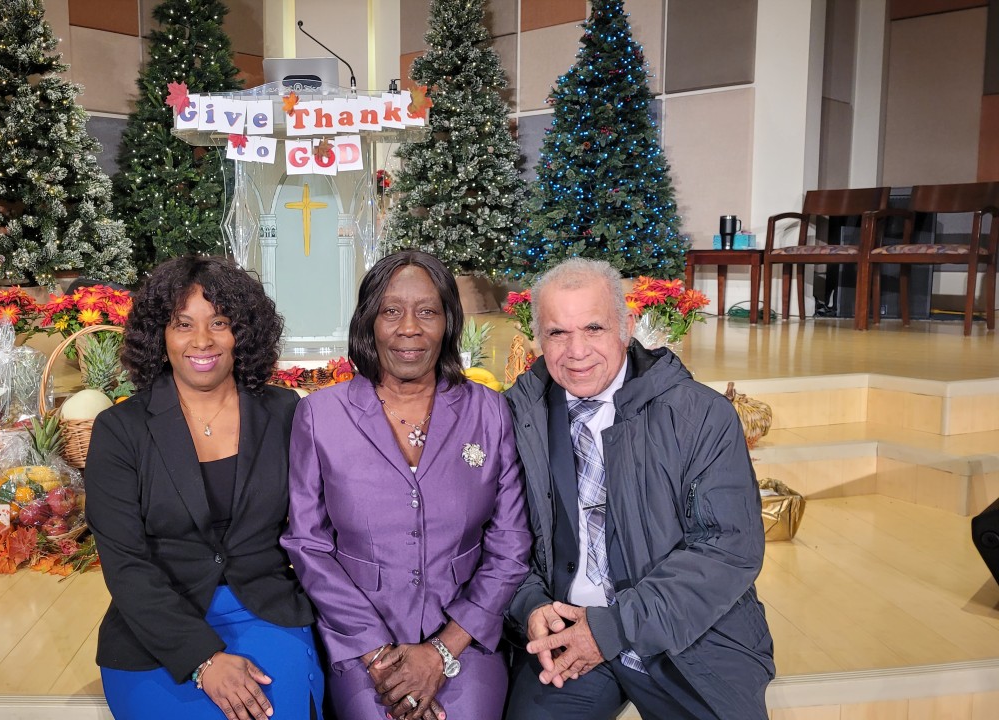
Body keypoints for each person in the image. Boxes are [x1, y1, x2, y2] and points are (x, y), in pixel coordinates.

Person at [503, 258, 774, 720]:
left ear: (626, 326)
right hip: (566, 630)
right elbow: (498, 539)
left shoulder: (700, 415)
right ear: (537, 339)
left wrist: (612, 629)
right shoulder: (514, 417)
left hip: (686, 634)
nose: (577, 351)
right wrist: (530, 604)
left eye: (593, 327)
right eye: (557, 333)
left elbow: (728, 549)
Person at [281, 250, 531, 720]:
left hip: (464, 636)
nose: (409, 328)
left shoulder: (488, 411)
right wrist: (379, 656)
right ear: (369, 322)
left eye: (428, 311)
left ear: (448, 322)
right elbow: (308, 545)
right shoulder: (320, 415)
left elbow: (511, 543)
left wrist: (443, 650)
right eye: (391, 311)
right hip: (362, 641)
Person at [85, 255, 323, 720]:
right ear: (159, 335)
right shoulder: (120, 429)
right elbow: (125, 563)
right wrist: (202, 660)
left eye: (219, 322)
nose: (202, 340)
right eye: (183, 324)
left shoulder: (285, 413)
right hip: (156, 629)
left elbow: (320, 529)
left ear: (243, 333)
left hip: (267, 612)